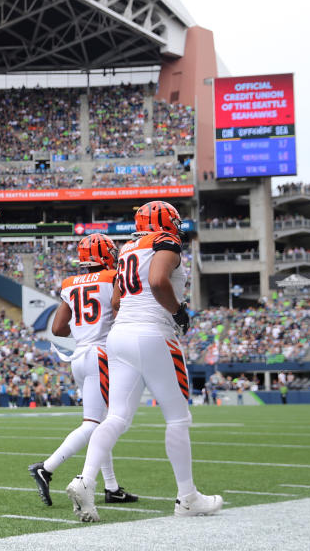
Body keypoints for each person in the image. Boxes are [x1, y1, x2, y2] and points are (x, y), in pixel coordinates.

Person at [66, 201, 222, 521]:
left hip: (119, 335)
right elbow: (156, 281)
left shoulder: (126, 249)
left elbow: (118, 299)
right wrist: (178, 312)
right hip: (152, 334)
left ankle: (86, 479)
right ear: (166, 221)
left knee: (116, 417)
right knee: (178, 419)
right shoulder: (165, 242)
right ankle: (187, 496)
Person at [28, 234, 137, 506]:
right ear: (105, 254)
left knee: (102, 421)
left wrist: (83, 329)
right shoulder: (112, 275)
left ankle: (111, 487)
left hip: (79, 356)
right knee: (97, 424)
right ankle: (47, 467)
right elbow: (119, 306)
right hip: (101, 353)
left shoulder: (69, 283)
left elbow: (57, 329)